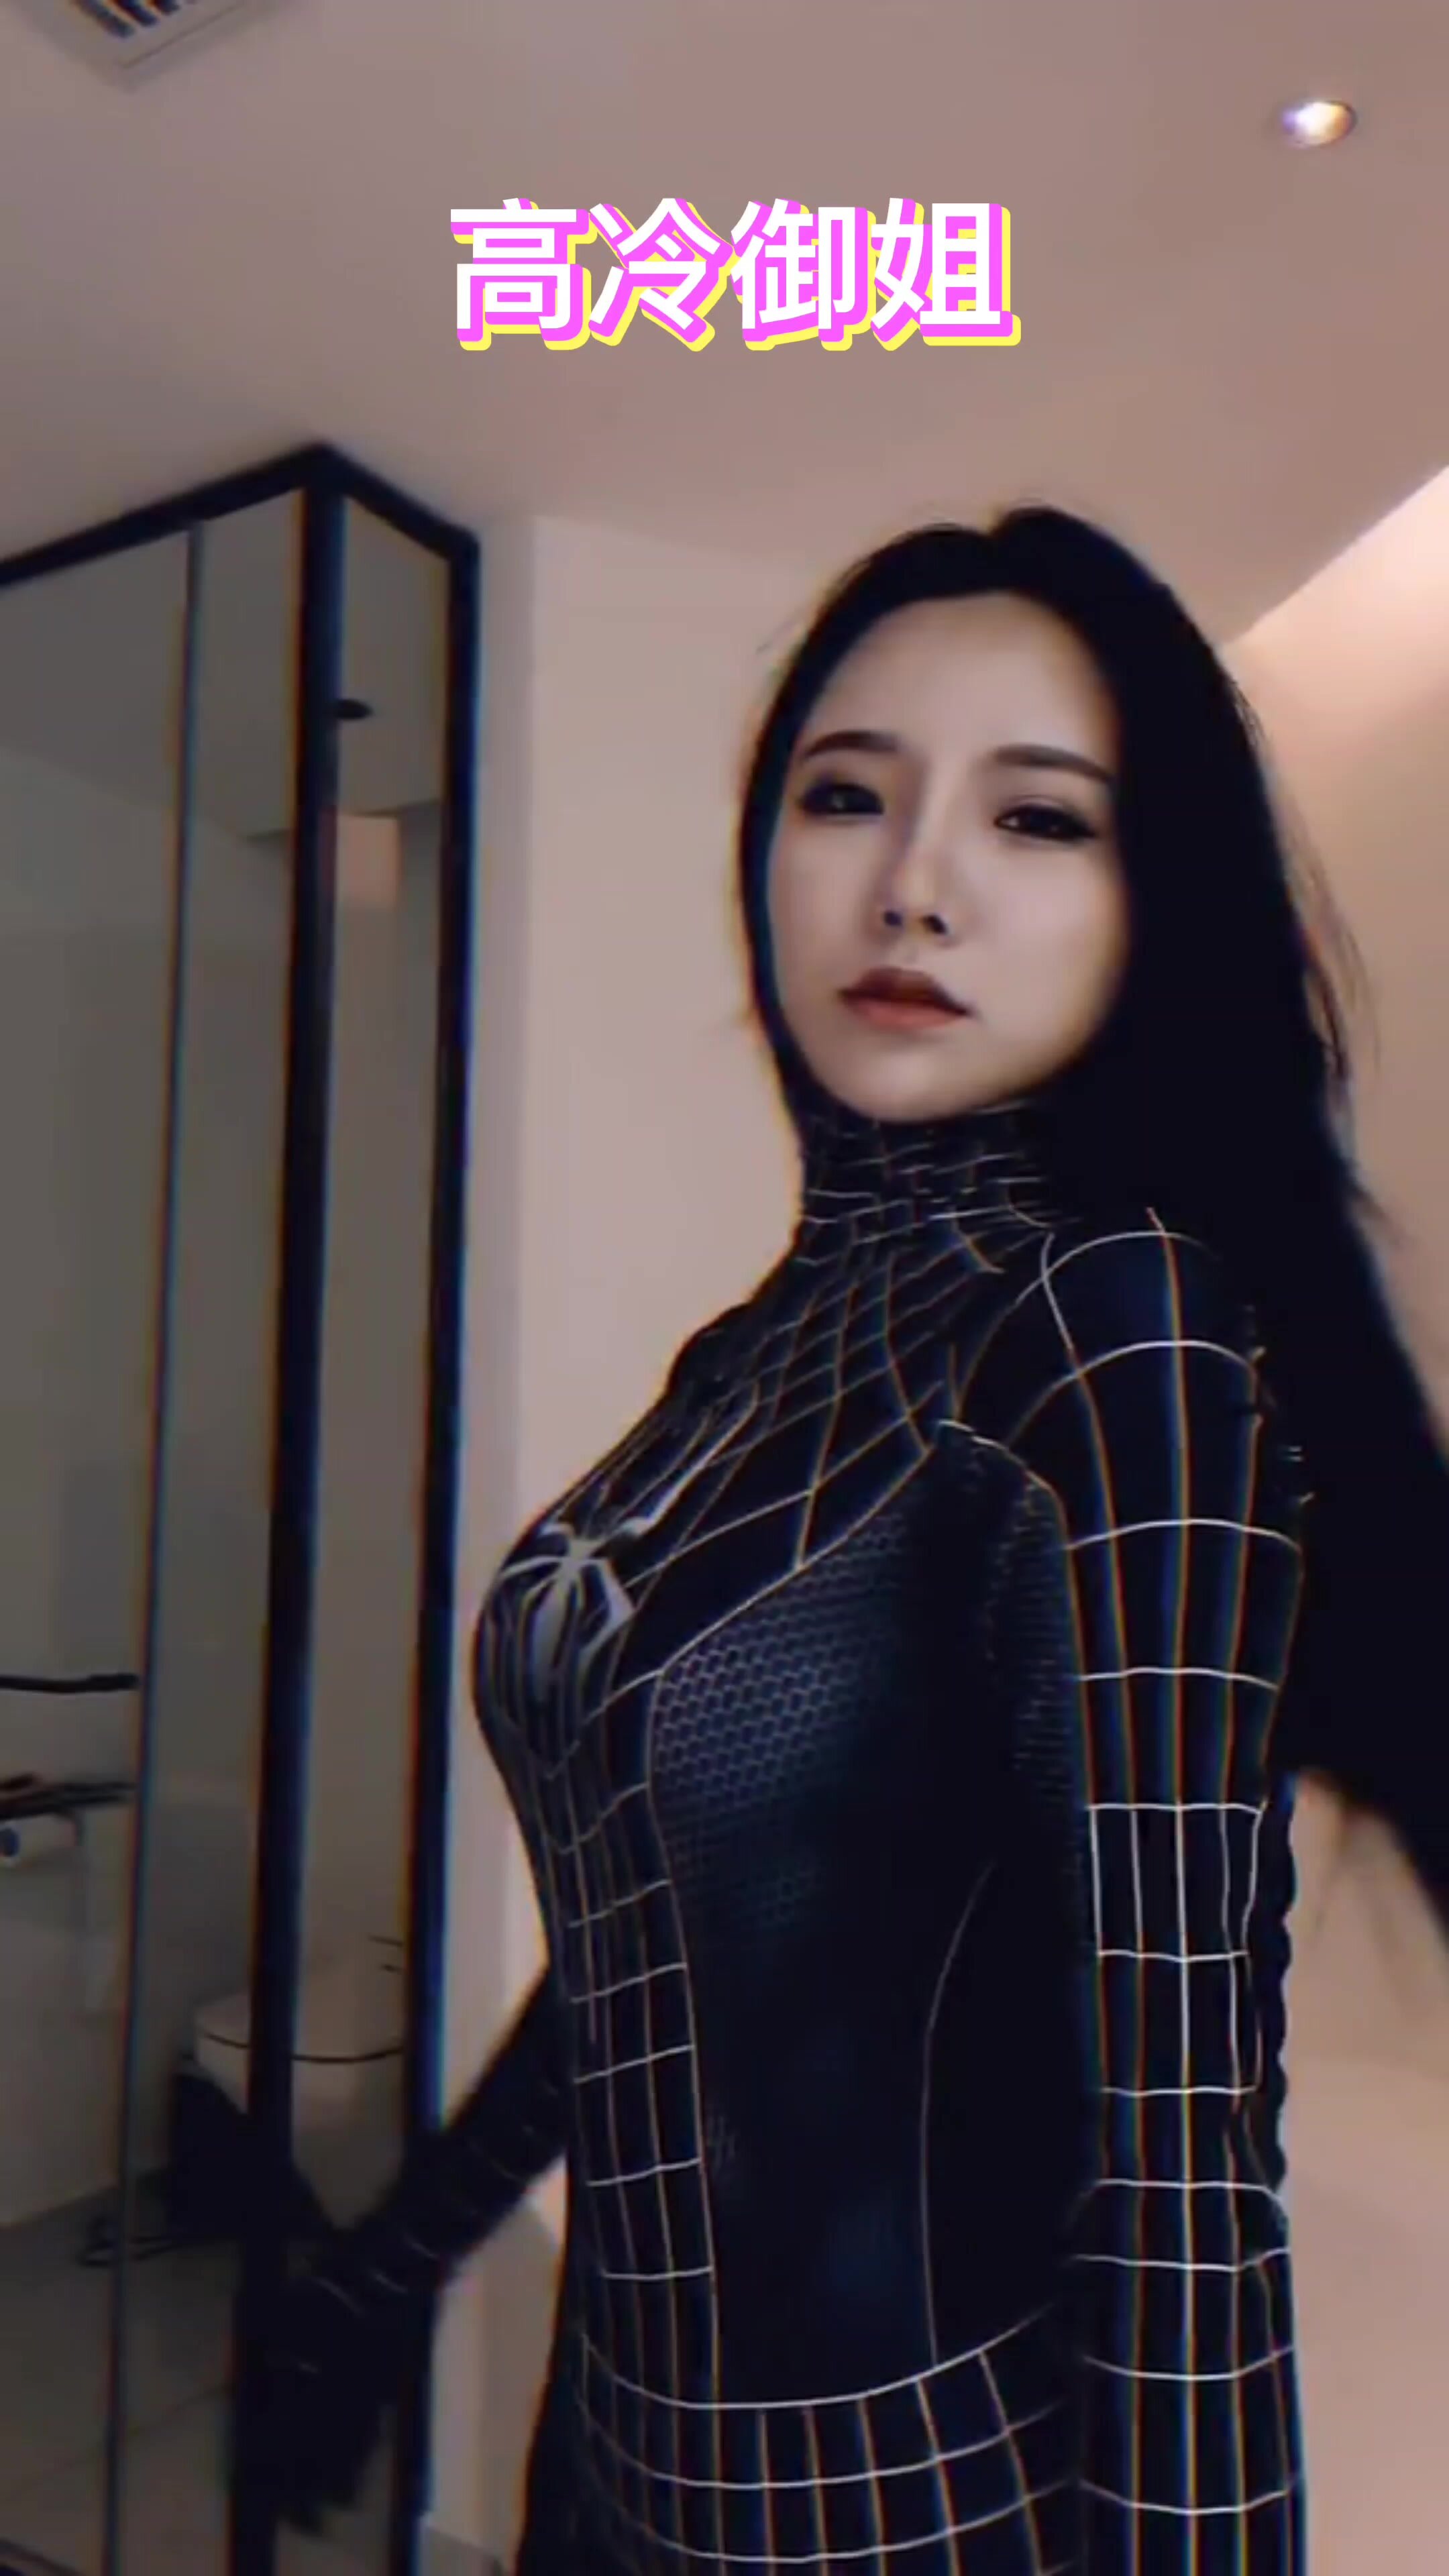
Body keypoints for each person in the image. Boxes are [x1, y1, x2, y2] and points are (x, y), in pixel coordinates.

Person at [248, 507, 1449, 2573]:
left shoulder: (1113, 1331)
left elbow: (1177, 2165)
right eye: (844, 794)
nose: (913, 883)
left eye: (1039, 818)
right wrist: (399, 2262)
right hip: (602, 2460)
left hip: (905, 2519)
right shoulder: (746, 1359)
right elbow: (667, 1939)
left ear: (1155, 904)